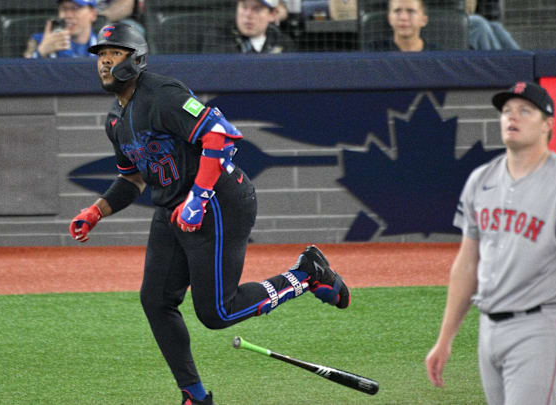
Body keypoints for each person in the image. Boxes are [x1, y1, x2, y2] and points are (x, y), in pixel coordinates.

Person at [70, 23, 349, 405]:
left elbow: (220, 135)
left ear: (135, 58)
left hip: (219, 199)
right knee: (156, 301)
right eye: (101, 55)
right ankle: (194, 396)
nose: (104, 62)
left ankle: (307, 274)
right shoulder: (115, 120)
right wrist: (95, 211)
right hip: (173, 207)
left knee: (217, 311)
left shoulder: (163, 94)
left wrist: (198, 199)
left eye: (114, 53)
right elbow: (133, 180)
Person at [424, 81, 556, 404]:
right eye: (506, 110)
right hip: (489, 328)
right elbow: (466, 265)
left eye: (525, 110)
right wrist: (444, 339)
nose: (512, 117)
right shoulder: (481, 180)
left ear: (548, 124)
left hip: (543, 328)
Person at [201, 0, 296, 54]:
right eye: (243, 7)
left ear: (272, 14)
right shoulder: (218, 38)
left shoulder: (284, 44)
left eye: (257, 9)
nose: (248, 14)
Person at [23, 0, 98, 59]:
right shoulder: (39, 41)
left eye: (75, 9)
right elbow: (22, 76)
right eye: (63, 9)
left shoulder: (104, 46)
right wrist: (41, 52)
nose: (68, 15)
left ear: (93, 14)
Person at [365, 0, 436, 52]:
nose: (403, 17)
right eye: (397, 11)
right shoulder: (374, 52)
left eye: (411, 11)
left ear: (424, 20)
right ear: (389, 18)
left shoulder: (437, 54)